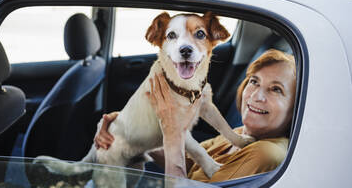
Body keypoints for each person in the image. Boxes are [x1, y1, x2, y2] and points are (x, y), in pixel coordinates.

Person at [94, 49, 296, 182]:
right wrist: (126, 129)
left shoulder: (266, 153)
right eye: (254, 81)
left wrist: (171, 127)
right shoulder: (242, 135)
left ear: (295, 106)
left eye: (276, 90)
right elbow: (188, 160)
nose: (257, 96)